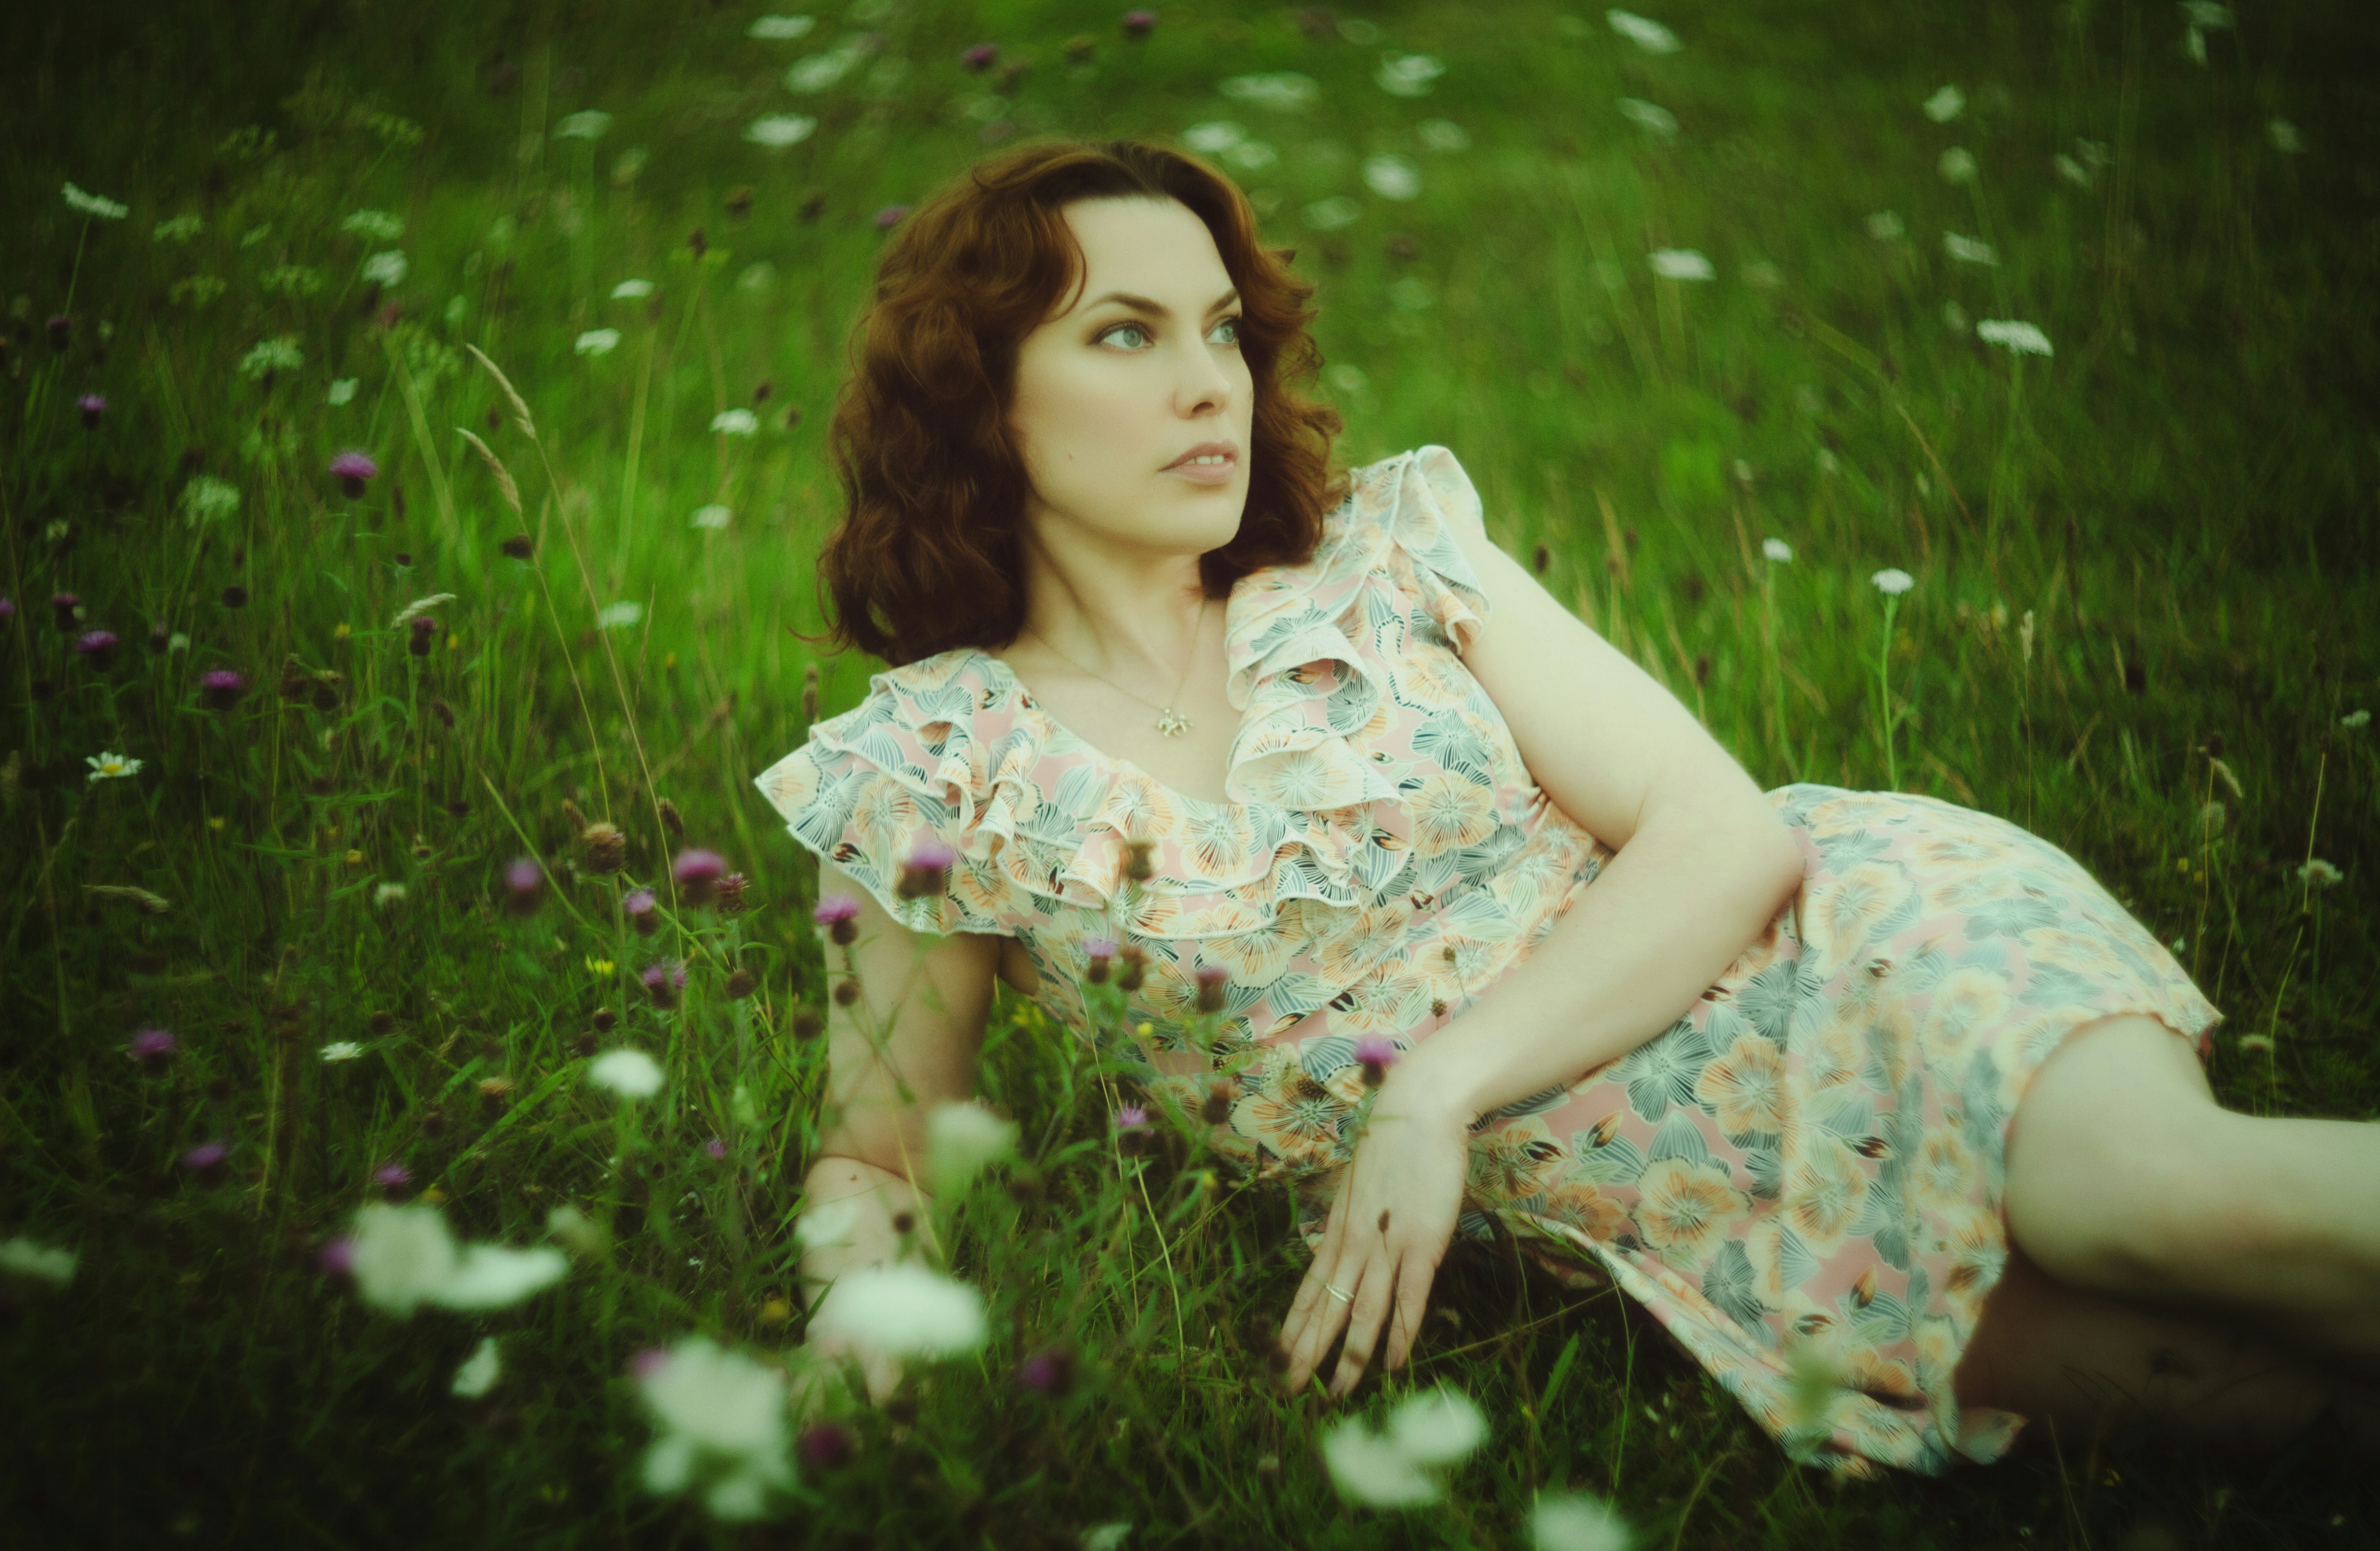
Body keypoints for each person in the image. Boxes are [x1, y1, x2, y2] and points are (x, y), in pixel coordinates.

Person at [757, 138, 2380, 1477]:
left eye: (1223, 328)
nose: (1209, 384)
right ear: (982, 392)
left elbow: (1728, 832)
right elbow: (880, 1149)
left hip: (1837, 962)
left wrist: (1433, 1095)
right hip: (1696, 1212)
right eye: (1127, 333)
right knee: (2224, 1388)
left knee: (2155, 1205)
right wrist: (859, 1309)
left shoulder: (1387, 563)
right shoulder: (935, 771)